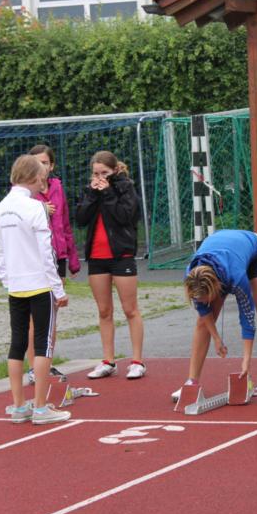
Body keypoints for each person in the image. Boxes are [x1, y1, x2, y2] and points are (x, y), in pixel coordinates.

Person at [174, 229, 257, 403]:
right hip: (224, 255)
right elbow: (203, 310)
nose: (204, 303)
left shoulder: (236, 277)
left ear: (217, 288)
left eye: (207, 299)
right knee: (202, 322)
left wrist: (246, 361)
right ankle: (191, 382)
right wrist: (216, 338)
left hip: (256, 252)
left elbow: (247, 317)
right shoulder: (192, 276)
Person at [0, 154, 70, 424]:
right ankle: (40, 407)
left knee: (17, 343)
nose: (43, 184)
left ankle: (18, 405)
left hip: (16, 286)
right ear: (36, 178)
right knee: (42, 345)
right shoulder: (35, 208)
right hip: (39, 284)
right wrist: (58, 289)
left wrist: (7, 280)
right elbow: (46, 253)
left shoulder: (0, 208)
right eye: (42, 179)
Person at [76, 151, 146, 380]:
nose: (99, 178)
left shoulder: (126, 187)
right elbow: (81, 219)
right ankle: (108, 360)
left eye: (104, 173)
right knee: (104, 311)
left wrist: (107, 192)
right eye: (96, 174)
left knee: (130, 309)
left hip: (121, 254)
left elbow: (125, 216)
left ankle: (137, 361)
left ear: (114, 170)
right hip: (97, 257)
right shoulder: (90, 190)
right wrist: (92, 194)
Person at [24, 144, 80, 384]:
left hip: (57, 258)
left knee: (51, 316)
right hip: (34, 259)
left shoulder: (57, 187)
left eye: (45, 163)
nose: (41, 167)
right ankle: (32, 367)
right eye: (36, 163)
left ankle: (46, 363)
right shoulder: (24, 193)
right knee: (33, 318)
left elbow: (65, 225)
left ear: (52, 165)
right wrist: (39, 209)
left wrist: (72, 260)